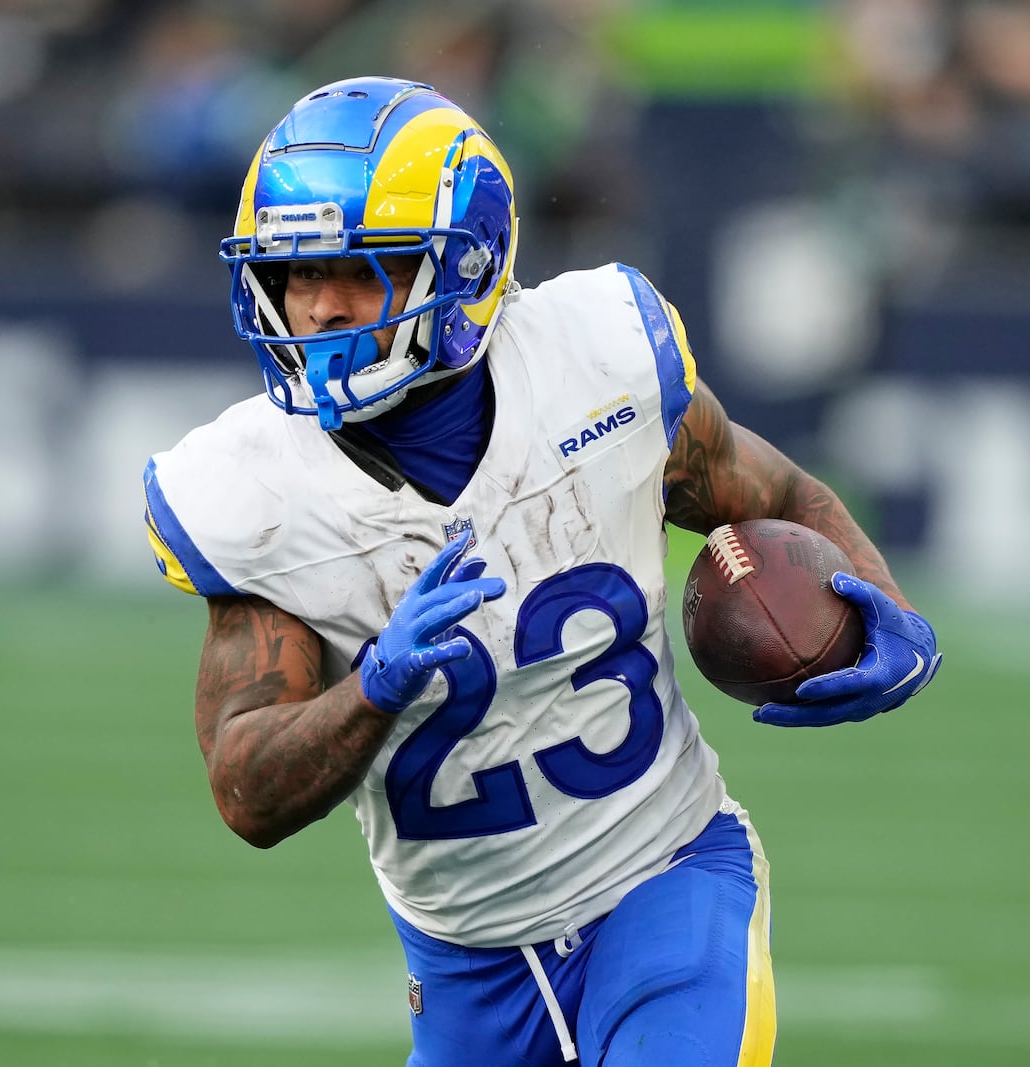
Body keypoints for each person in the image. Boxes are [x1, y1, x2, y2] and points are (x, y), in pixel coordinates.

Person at [142, 76, 942, 1066]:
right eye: (298, 275)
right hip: (463, 966)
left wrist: (889, 619)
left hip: (663, 876)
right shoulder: (256, 487)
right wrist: (374, 687)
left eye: (365, 268)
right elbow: (246, 791)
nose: (320, 309)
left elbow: (770, 494)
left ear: (468, 268)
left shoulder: (595, 362)